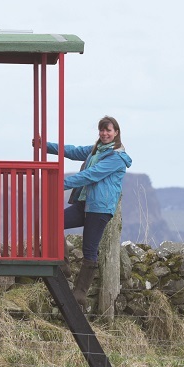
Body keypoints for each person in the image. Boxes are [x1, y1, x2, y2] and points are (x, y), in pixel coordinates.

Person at [43, 116, 132, 306]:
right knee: (53, 221)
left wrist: (61, 183)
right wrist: (45, 146)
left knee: (89, 250)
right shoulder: (96, 150)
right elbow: (72, 151)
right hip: (85, 203)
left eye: (108, 130)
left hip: (99, 209)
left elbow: (91, 175)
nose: (104, 133)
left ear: (116, 132)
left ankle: (80, 293)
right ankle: (63, 264)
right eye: (102, 130)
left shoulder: (116, 158)